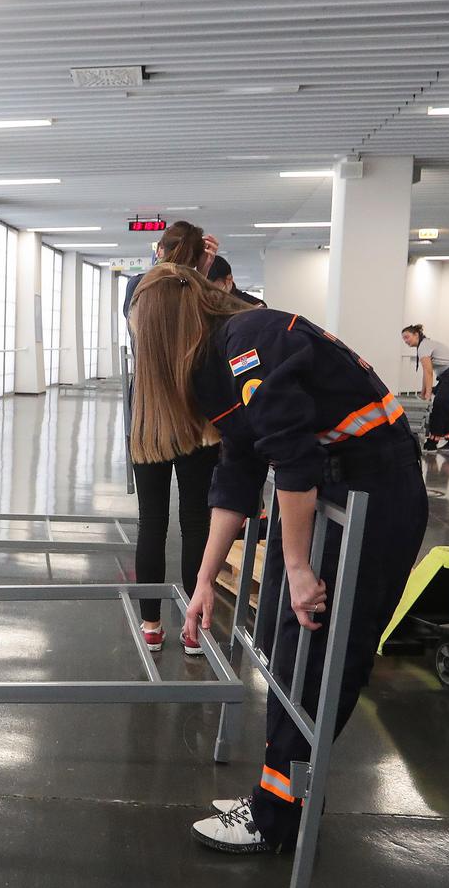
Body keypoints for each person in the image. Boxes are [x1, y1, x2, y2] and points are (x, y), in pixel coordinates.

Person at [129, 264, 427, 854]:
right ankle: (279, 798)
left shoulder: (249, 342)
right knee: (291, 651)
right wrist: (204, 580)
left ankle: (276, 816)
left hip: (374, 494)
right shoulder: (219, 361)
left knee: (317, 659)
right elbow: (239, 471)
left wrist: (295, 568)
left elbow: (293, 461)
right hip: (343, 492)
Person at [126, 222, 222, 651]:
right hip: (197, 419)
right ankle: (193, 628)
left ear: (159, 251)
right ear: (201, 255)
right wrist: (203, 269)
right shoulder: (204, 292)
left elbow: (155, 282)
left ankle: (150, 625)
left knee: (152, 522)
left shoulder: (138, 290)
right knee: (196, 521)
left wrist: (175, 260)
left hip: (149, 418)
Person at [400, 324, 449, 450]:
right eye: (404, 339)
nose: (405, 341)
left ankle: (432, 442)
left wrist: (428, 395)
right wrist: (423, 393)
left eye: (407, 337)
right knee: (444, 407)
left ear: (416, 335)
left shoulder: (423, 347)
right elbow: (426, 373)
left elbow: (429, 373)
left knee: (439, 406)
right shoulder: (424, 345)